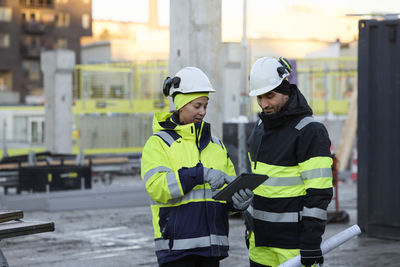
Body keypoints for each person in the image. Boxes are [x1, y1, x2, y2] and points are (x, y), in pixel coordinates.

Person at [141, 66, 254, 267]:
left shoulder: (216, 145)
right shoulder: (159, 144)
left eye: (205, 106)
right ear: (180, 104)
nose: (202, 112)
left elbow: (225, 196)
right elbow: (158, 187)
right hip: (176, 252)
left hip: (211, 249)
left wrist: (238, 202)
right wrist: (199, 174)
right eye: (197, 106)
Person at [245, 57, 333, 267]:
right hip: (260, 244)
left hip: (293, 247)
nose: (264, 104)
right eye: (259, 97)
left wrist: (311, 242)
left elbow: (319, 193)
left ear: (286, 90)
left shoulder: (310, 131)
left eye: (270, 96)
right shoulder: (260, 127)